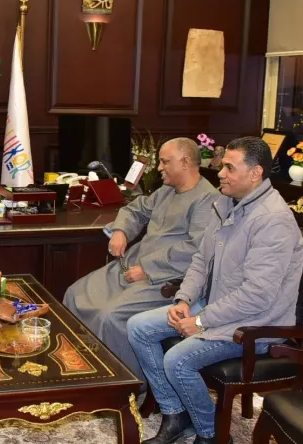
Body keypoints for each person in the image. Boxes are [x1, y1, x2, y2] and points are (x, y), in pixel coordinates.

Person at [128, 136, 303, 444]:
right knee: (139, 327)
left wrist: (201, 321)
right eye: (222, 166)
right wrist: (184, 299)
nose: (220, 173)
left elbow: (257, 296)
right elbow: (200, 260)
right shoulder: (225, 203)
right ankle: (175, 413)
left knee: (178, 360)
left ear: (256, 173)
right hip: (219, 307)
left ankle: (213, 435)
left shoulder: (273, 220)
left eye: (229, 168)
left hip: (256, 324)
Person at [63, 138, 218, 382]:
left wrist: (147, 268)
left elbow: (195, 249)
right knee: (75, 294)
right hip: (132, 266)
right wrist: (121, 231)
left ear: (185, 162)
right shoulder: (166, 190)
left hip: (165, 278)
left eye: (165, 162)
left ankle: (124, 386)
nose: (159, 167)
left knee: (110, 317)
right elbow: (136, 209)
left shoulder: (207, 199)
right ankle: (81, 370)